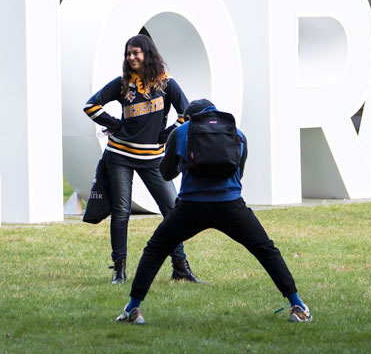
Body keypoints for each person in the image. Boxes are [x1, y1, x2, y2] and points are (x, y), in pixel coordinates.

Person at [115, 99, 311, 325]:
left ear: (190, 118)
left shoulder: (180, 133)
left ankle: (133, 309)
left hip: (191, 206)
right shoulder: (237, 133)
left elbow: (166, 173)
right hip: (230, 205)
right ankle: (297, 306)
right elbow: (239, 173)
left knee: (155, 249)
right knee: (266, 250)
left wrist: (183, 163)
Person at [83, 34, 201, 285]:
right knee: (121, 211)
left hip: (153, 159)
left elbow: (187, 113)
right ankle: (119, 271)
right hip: (119, 155)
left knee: (171, 210)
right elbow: (91, 106)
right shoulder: (123, 84)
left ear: (148, 54)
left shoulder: (166, 84)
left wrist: (167, 135)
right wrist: (116, 125)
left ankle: (180, 266)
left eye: (136, 52)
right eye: (128, 53)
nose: (131, 57)